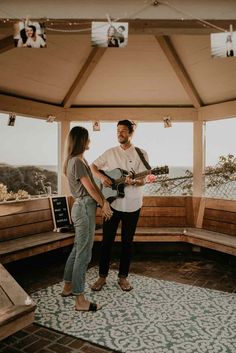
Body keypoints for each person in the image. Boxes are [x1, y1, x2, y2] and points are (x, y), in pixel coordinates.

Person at [91, 120, 149, 291]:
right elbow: (93, 166)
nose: (120, 133)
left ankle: (123, 278)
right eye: (118, 131)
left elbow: (144, 179)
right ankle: (102, 277)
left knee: (127, 243)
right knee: (106, 241)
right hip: (112, 204)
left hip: (133, 204)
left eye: (123, 131)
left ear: (131, 133)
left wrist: (135, 181)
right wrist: (102, 178)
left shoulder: (141, 153)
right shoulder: (110, 152)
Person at [61, 126, 113, 311]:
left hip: (83, 207)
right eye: (88, 138)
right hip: (84, 208)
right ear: (82, 141)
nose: (90, 141)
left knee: (77, 249)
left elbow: (92, 187)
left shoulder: (77, 160)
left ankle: (67, 287)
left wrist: (102, 202)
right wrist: (104, 204)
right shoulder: (77, 162)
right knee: (84, 254)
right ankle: (80, 300)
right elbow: (90, 188)